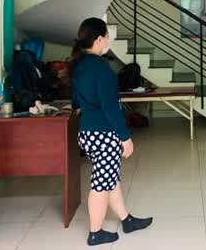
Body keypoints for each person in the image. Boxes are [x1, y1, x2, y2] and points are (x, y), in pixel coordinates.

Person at [71, 17, 153, 246]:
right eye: (106, 36)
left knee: (110, 178)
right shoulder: (101, 69)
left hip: (87, 132)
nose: (108, 40)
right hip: (103, 133)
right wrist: (125, 138)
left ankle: (127, 220)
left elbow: (76, 101)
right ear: (99, 39)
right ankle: (95, 233)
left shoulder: (79, 65)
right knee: (101, 185)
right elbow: (110, 107)